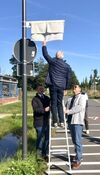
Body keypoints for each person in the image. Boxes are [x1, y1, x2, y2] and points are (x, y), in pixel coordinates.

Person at [42, 40, 72, 128]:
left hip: (53, 86)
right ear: (62, 57)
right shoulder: (67, 66)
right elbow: (68, 78)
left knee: (54, 104)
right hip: (61, 87)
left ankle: (55, 122)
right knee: (60, 104)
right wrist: (66, 88)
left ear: (56, 56)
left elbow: (45, 55)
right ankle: (62, 121)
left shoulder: (53, 62)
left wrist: (44, 45)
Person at [65, 85, 86, 169]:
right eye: (73, 88)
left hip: (77, 122)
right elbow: (65, 108)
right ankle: (77, 155)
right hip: (70, 122)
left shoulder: (82, 97)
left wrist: (68, 111)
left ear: (79, 89)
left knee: (78, 141)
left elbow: (80, 107)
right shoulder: (70, 99)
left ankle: (78, 159)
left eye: (75, 87)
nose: (74, 89)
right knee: (74, 140)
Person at [31, 85, 50, 159]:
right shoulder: (35, 99)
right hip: (39, 123)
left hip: (46, 122)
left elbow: (52, 104)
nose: (42, 90)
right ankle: (38, 156)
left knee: (47, 138)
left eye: (42, 88)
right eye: (40, 89)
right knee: (40, 139)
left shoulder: (47, 98)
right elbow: (36, 110)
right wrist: (44, 110)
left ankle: (44, 154)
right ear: (37, 90)